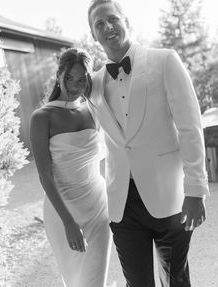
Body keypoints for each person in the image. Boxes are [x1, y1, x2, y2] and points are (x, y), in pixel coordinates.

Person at [87, 1, 209, 286]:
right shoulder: (92, 83)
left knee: (174, 279)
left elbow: (190, 127)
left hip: (170, 198)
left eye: (112, 19)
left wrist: (196, 189)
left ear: (127, 21)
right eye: (98, 24)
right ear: (94, 35)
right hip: (122, 205)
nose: (107, 27)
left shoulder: (165, 60)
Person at [29, 48, 112, 287]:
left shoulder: (94, 109)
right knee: (76, 280)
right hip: (62, 210)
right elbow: (45, 176)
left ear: (89, 79)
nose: (75, 86)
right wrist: (68, 223)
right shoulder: (42, 117)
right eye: (69, 78)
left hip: (98, 206)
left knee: (96, 280)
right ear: (59, 76)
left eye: (81, 79)